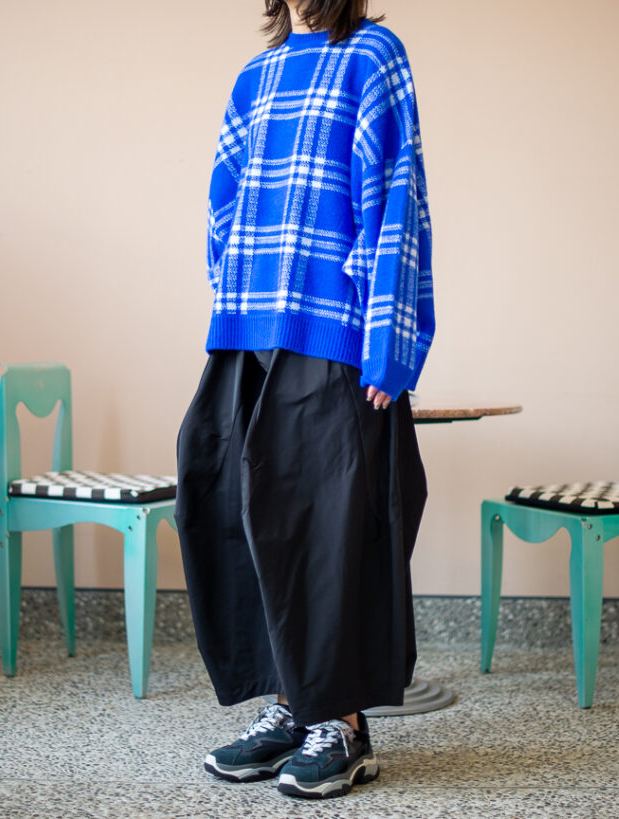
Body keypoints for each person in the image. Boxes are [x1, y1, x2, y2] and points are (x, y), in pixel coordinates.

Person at [174, 0, 434, 800]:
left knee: (328, 530)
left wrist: (391, 340)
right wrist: (230, 296)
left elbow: (398, 199)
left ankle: (342, 725)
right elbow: (224, 200)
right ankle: (291, 707)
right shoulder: (255, 77)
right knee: (238, 511)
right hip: (248, 326)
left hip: (336, 331)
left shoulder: (373, 55)